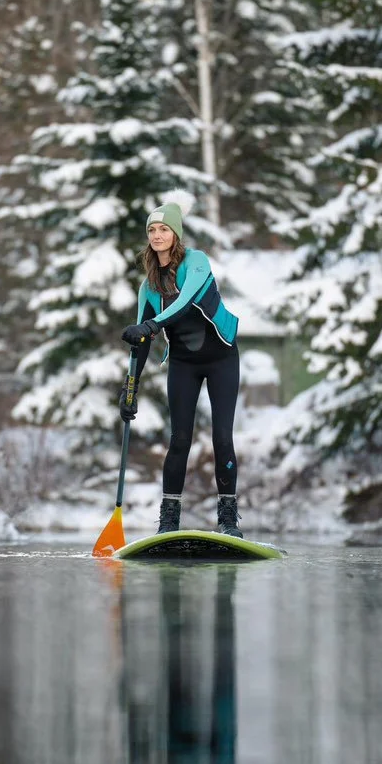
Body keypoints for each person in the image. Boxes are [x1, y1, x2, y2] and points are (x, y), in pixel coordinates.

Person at [118, 200, 243, 537]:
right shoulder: (148, 287)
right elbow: (141, 342)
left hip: (222, 358)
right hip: (184, 364)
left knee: (221, 438)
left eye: (164, 229)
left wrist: (151, 326)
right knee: (179, 440)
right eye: (152, 230)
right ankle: (169, 521)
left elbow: (186, 300)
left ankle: (228, 520)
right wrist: (131, 389)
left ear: (176, 234)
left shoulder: (197, 262)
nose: (157, 235)